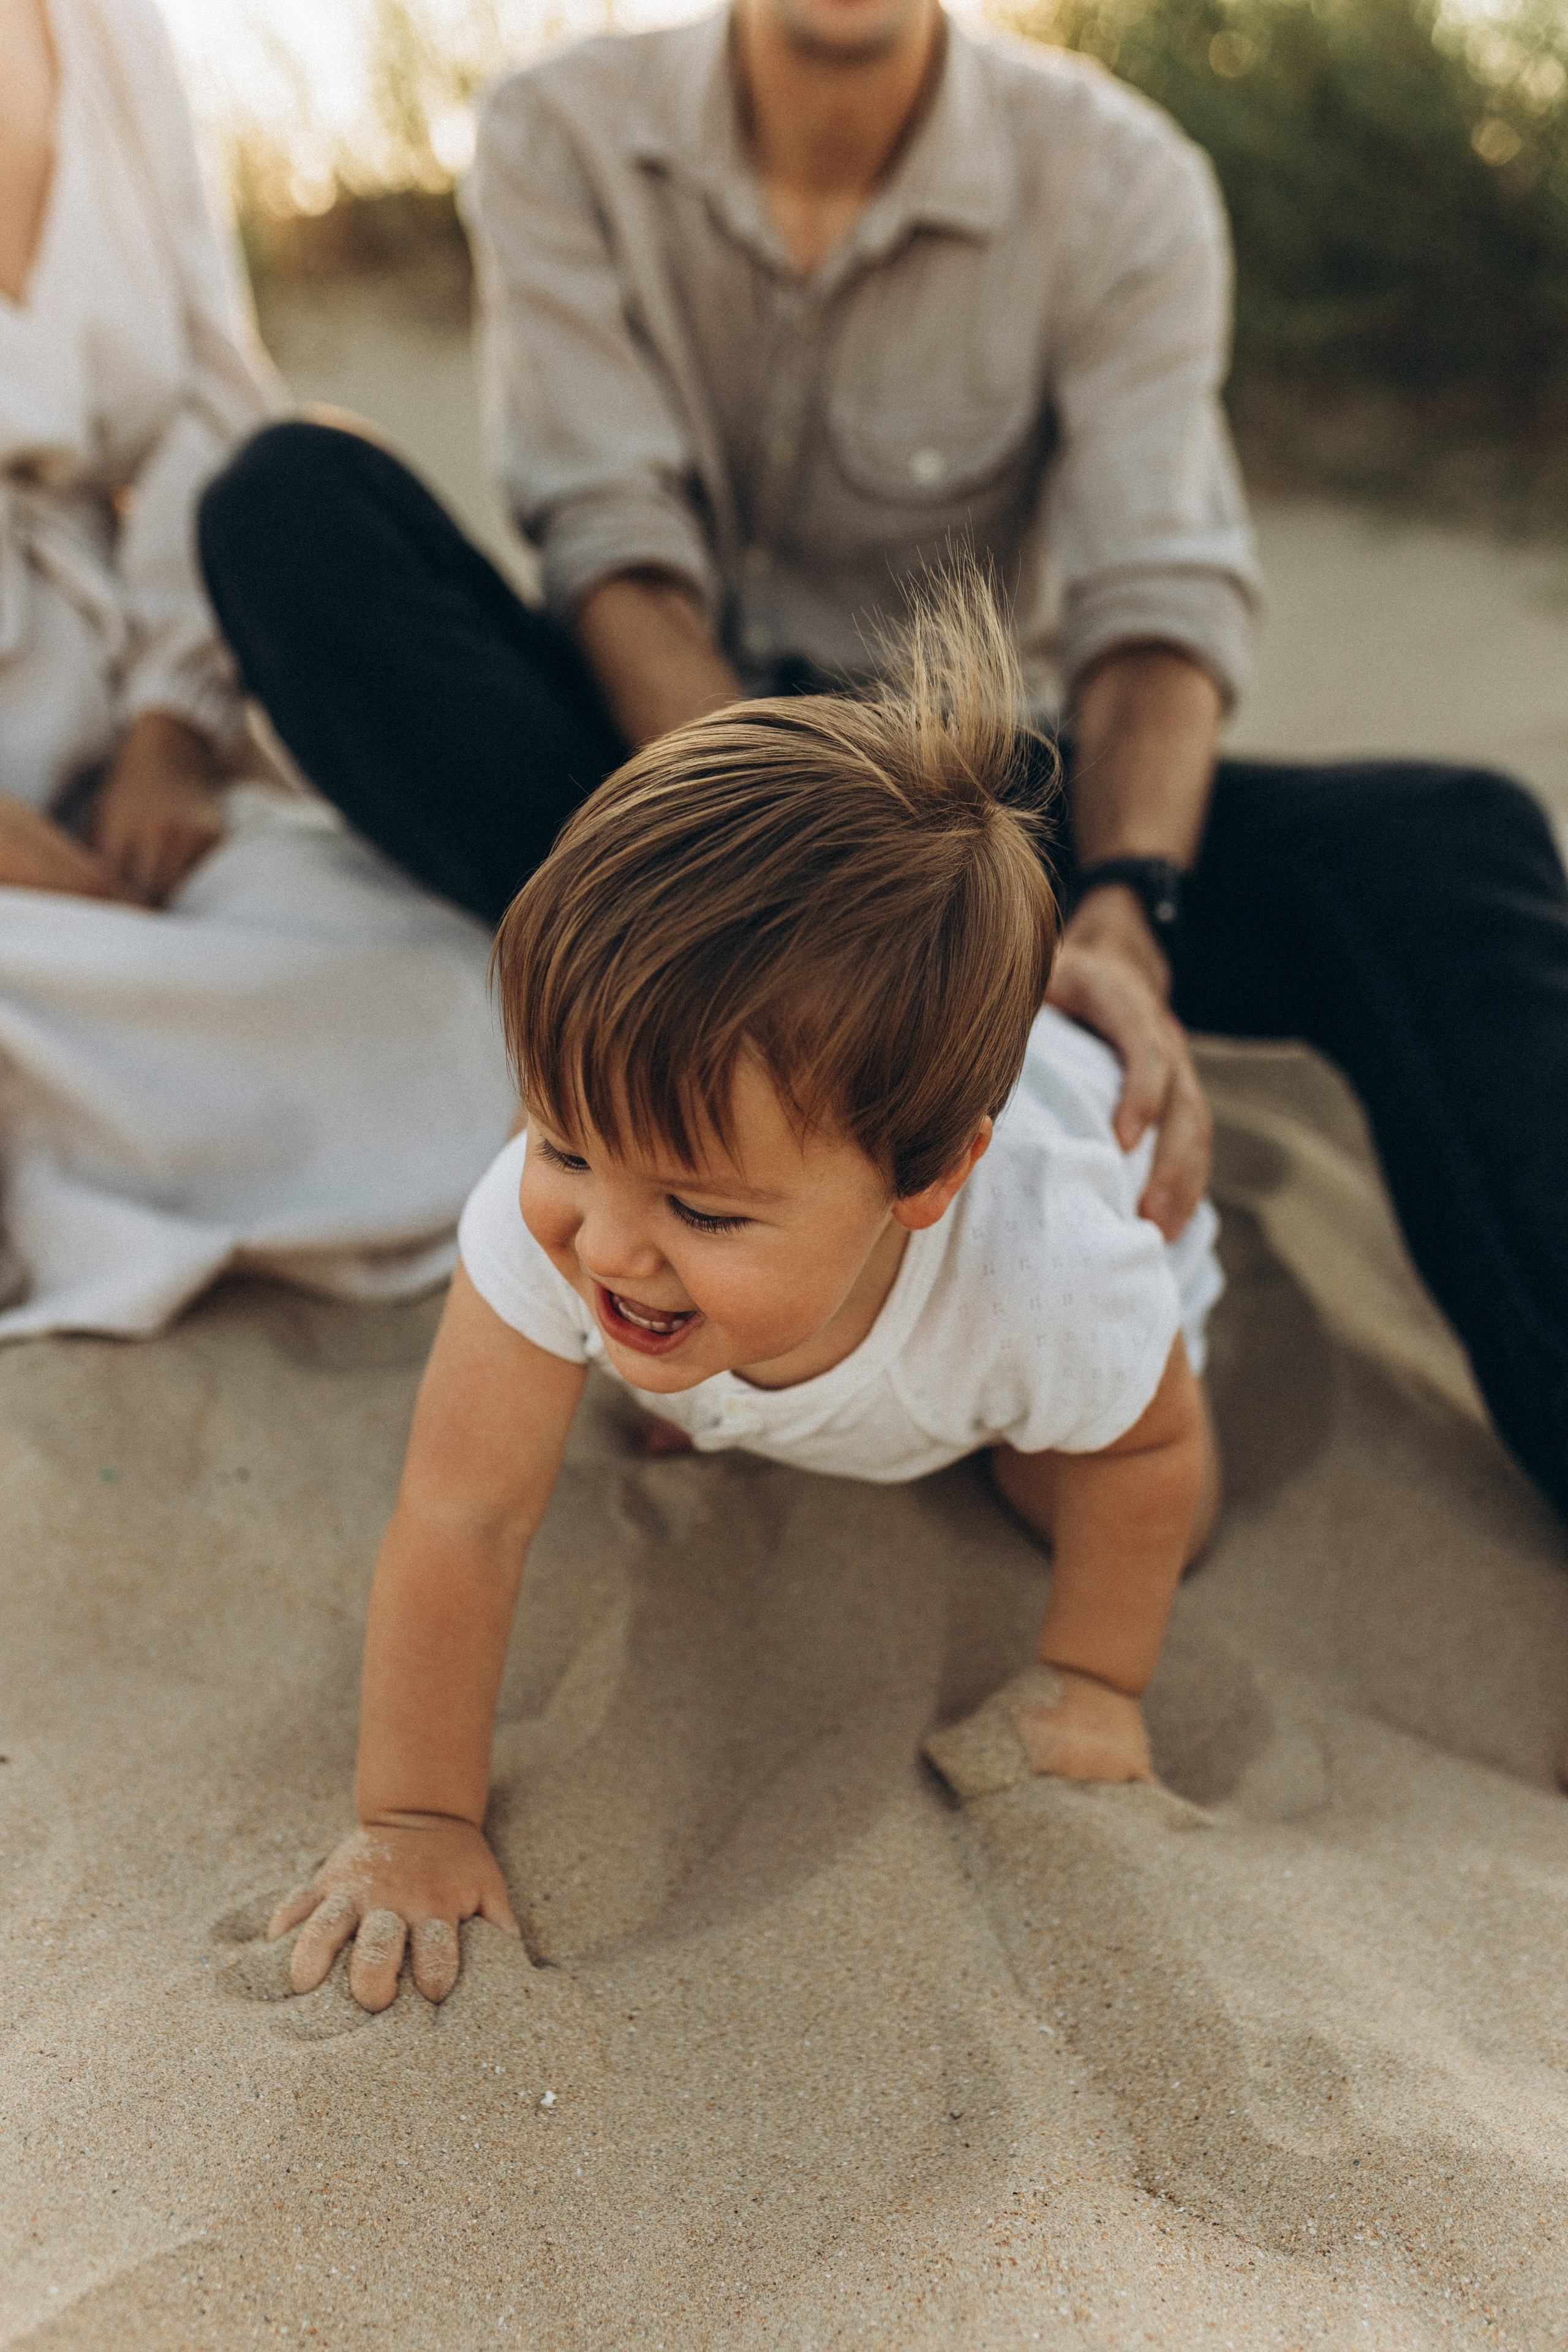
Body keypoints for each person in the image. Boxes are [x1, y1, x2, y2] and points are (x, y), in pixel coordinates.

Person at [198, 0, 1568, 1528]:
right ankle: (742, 1165)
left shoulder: (1121, 179)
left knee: (1456, 841)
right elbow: (612, 553)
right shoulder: (557, 131)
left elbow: (1154, 606)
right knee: (287, 503)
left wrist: (1124, 908)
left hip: (961, 812)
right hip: (666, 780)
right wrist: (764, 878)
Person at [266, 584, 1224, 2013]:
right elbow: (463, 1517)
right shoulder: (559, 1217)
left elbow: (1151, 1448)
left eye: (702, 1208)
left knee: (1099, 1496)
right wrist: (415, 1818)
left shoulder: (1051, 1270)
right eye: (562, 1142)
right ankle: (742, 1362)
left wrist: (1092, 1681)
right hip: (823, 1306)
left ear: (925, 1180)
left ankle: (872, 1405)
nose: (606, 1244)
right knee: (647, 1322)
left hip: (1098, 1257)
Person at [0, 0, 514, 1338]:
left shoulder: (107, 33)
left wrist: (167, 731)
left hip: (105, 747)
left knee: (456, 987)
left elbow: (215, 395)